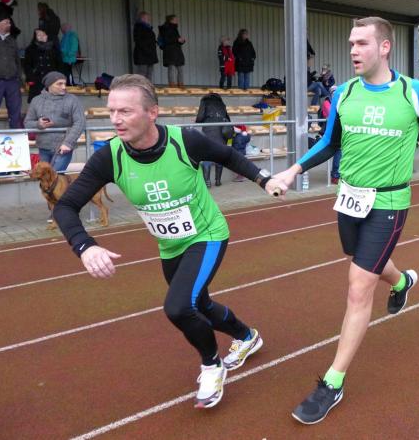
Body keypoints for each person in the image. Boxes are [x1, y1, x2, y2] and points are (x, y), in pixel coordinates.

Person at [271, 17, 419, 425]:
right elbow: (329, 142)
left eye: (362, 43)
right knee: (362, 261)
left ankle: (332, 382)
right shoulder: (343, 92)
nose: (353, 50)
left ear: (384, 47)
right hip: (349, 199)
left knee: (358, 286)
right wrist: (292, 170)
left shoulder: (413, 91)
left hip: (389, 201)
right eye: (351, 43)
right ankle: (402, 282)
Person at [52, 74, 284, 409]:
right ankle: (247, 337)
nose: (115, 119)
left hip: (206, 235)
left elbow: (229, 157)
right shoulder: (109, 157)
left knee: (178, 308)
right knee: (199, 304)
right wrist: (85, 246)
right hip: (170, 245)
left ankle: (212, 365)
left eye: (125, 111)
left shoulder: (185, 142)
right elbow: (65, 206)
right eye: (111, 111)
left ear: (152, 113)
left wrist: (264, 180)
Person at [23, 72, 85, 172]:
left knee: (55, 177)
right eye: (59, 84)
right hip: (43, 147)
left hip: (63, 147)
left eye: (64, 83)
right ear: (49, 85)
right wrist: (38, 124)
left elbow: (80, 123)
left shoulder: (73, 100)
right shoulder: (36, 100)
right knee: (45, 178)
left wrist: (68, 143)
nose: (64, 87)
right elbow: (27, 123)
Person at [195, 92, 232, 187]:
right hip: (221, 133)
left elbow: (199, 117)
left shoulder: (204, 101)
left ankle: (207, 182)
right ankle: (218, 181)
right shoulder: (221, 103)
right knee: (219, 156)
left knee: (207, 157)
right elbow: (228, 119)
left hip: (209, 131)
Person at [23, 28, 60, 102]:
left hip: (51, 80)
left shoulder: (54, 49)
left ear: (47, 36)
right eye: (39, 35)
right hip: (36, 80)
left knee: (52, 102)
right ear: (35, 37)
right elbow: (27, 65)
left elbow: (59, 65)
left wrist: (59, 78)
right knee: (37, 101)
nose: (42, 37)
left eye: (44, 35)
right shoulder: (30, 49)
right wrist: (30, 78)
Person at [159, 14, 186, 88]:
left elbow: (176, 40)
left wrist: (182, 41)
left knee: (180, 68)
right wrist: (177, 40)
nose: (177, 20)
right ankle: (172, 84)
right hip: (169, 51)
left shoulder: (174, 28)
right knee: (172, 68)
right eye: (175, 19)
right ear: (171, 20)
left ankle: (181, 84)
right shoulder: (165, 28)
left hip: (177, 51)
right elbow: (167, 40)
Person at [133, 11, 158, 80]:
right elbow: (138, 41)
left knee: (149, 72)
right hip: (142, 54)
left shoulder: (148, 27)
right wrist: (147, 49)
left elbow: (149, 39)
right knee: (142, 72)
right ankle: (140, 86)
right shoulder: (138, 27)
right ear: (142, 18)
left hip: (150, 53)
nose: (148, 19)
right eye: (147, 18)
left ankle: (148, 85)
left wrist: (155, 42)